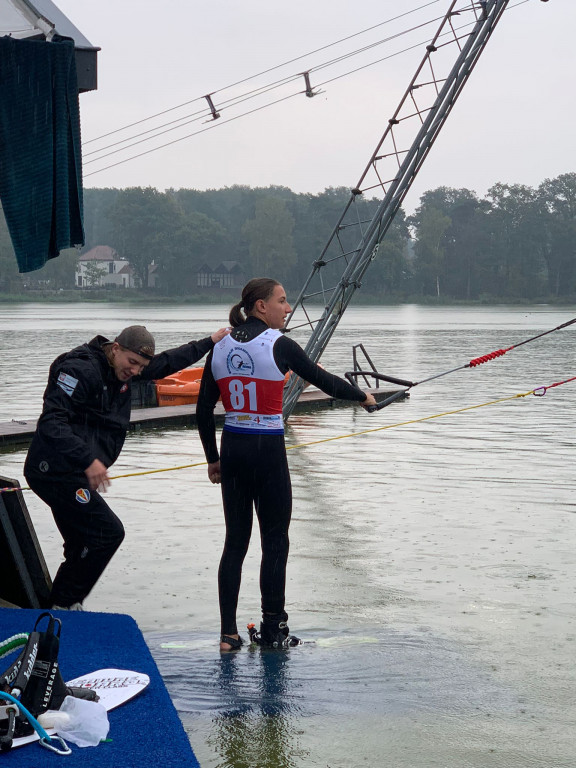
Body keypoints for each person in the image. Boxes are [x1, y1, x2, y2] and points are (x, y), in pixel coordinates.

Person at [196, 278, 376, 651]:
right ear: (261, 307)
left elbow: (202, 411)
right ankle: (273, 629)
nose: (288, 307)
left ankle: (228, 634)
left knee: (235, 543)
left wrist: (213, 459)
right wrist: (361, 396)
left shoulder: (218, 348)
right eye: (282, 300)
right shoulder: (280, 345)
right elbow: (324, 380)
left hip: (233, 446)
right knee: (275, 542)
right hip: (267, 450)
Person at [24, 324, 228, 611]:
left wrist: (210, 341)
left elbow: (168, 361)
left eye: (140, 366)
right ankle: (62, 604)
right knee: (108, 533)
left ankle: (61, 604)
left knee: (82, 542)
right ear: (115, 347)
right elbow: (51, 422)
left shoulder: (126, 366)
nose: (135, 371)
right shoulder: (78, 370)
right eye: (132, 363)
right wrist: (89, 460)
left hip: (73, 471)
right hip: (52, 469)